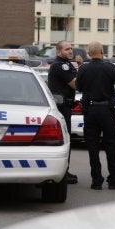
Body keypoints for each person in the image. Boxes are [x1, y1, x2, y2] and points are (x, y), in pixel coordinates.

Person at [74, 41, 115, 190]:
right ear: (102, 51)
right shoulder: (109, 68)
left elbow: (78, 87)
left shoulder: (84, 68)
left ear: (89, 54)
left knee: (92, 146)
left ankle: (96, 180)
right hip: (107, 111)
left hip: (90, 111)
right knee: (112, 145)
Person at [47, 40, 79, 184]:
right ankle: (63, 173)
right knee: (65, 141)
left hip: (65, 106)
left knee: (67, 140)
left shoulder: (67, 65)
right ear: (59, 52)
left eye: (71, 49)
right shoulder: (61, 66)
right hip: (62, 107)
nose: (70, 51)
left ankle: (65, 170)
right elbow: (76, 84)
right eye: (67, 49)